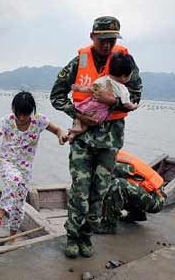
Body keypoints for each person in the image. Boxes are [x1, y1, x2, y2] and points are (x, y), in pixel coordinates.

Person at [50, 16, 143, 258]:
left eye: (112, 40)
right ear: (92, 37)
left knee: (99, 192)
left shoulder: (125, 62)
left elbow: (136, 97)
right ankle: (73, 236)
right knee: (80, 190)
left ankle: (87, 237)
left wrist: (112, 103)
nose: (107, 44)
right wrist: (78, 113)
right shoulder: (78, 62)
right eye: (103, 39)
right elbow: (56, 96)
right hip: (83, 138)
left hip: (110, 141)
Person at [0, 91, 68, 238]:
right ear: (13, 109)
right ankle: (1, 209)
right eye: (18, 114)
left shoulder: (39, 121)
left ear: (32, 111)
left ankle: (12, 237)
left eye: (25, 114)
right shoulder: (6, 121)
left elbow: (58, 130)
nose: (21, 118)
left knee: (18, 206)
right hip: (7, 162)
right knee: (15, 179)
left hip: (25, 169)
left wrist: (61, 136)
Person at [69, 53, 138, 141]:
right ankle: (79, 129)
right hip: (101, 113)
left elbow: (90, 89)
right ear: (124, 76)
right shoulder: (123, 89)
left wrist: (78, 88)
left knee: (78, 111)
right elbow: (126, 104)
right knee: (91, 122)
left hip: (90, 105)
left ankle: (75, 130)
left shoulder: (102, 79)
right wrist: (133, 106)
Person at [96, 150, 166, 234]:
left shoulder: (112, 164)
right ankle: (135, 213)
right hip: (141, 191)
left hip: (156, 199)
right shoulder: (108, 155)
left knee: (117, 184)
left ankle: (107, 226)